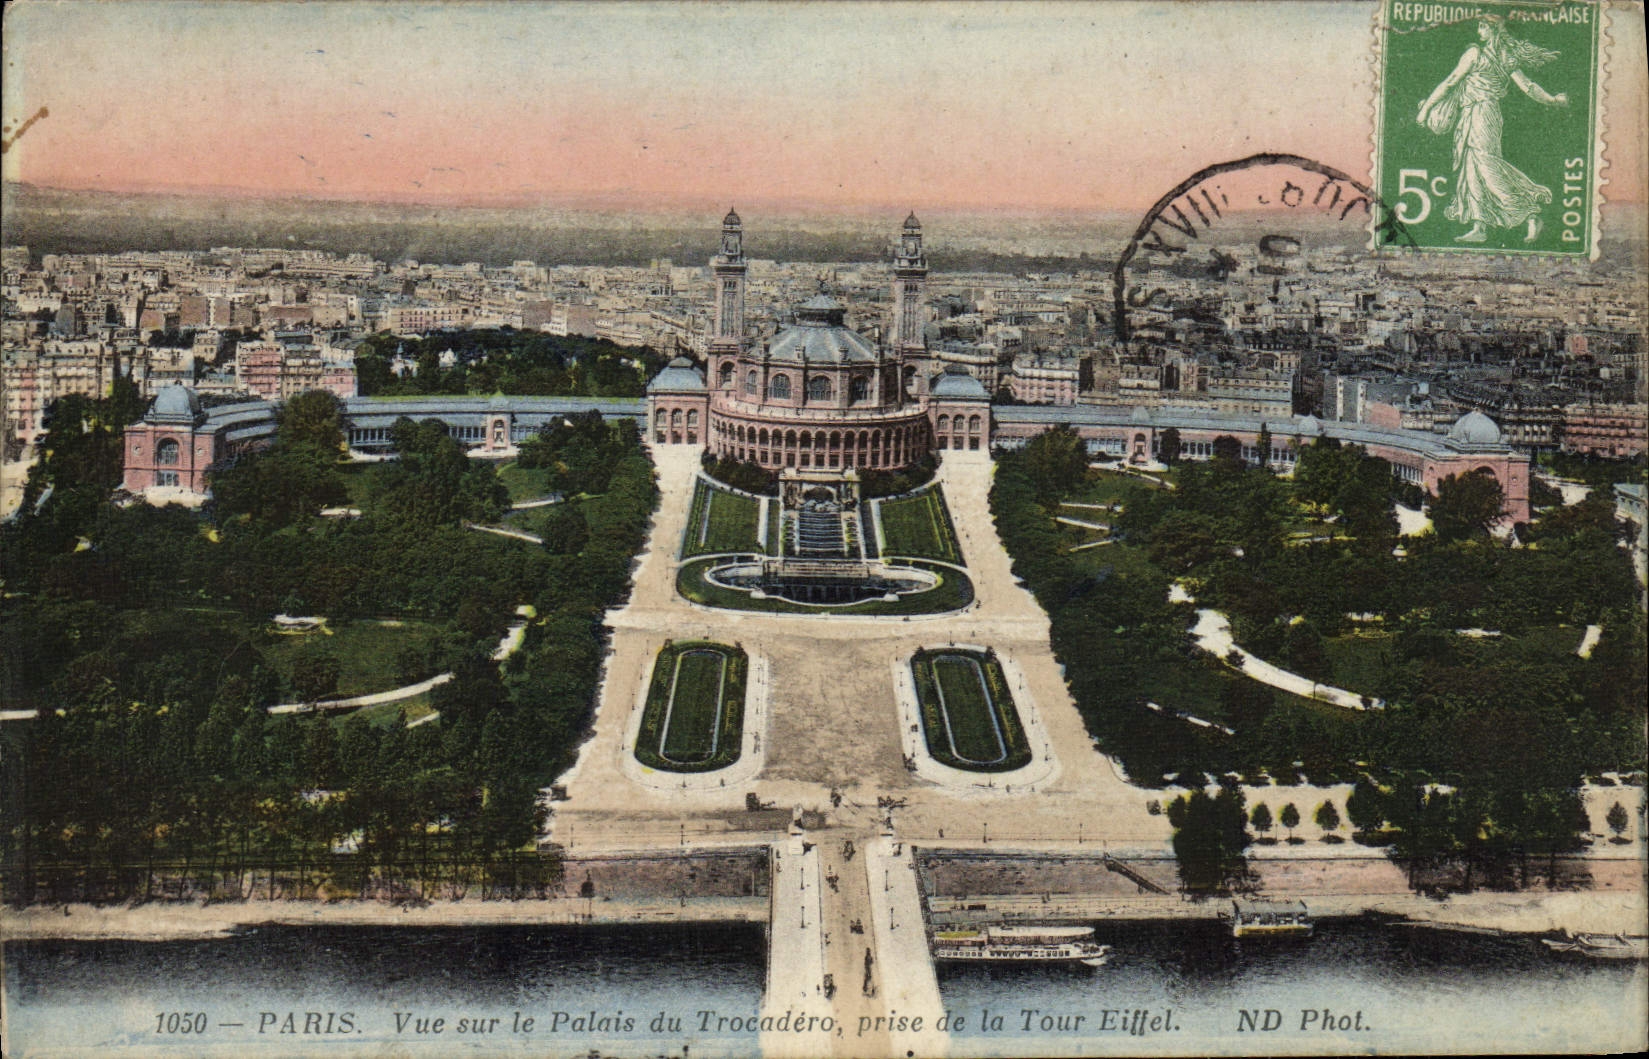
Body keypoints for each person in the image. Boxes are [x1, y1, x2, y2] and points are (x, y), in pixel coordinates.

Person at [1416, 15, 1567, 243]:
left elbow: (1450, 82)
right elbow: (1528, 87)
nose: (1479, 31)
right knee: (1471, 168)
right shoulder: (1505, 56)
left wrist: (1425, 109)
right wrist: (1552, 100)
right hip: (1480, 114)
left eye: (1483, 26)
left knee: (1487, 167)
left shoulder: (1475, 54)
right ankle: (1479, 226)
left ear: (1493, 29)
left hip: (1481, 114)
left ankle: (1530, 214)